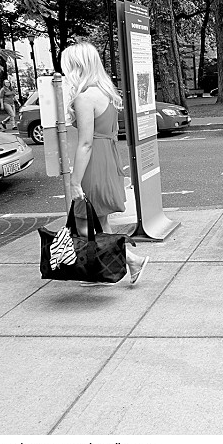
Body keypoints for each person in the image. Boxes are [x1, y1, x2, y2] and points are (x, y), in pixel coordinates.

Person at [62, 42, 149, 286]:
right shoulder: (107, 94)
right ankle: (105, 270)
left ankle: (131, 259)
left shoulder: (84, 97)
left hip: (93, 163)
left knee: (82, 222)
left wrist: (74, 180)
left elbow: (85, 143)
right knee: (100, 220)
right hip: (108, 158)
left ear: (77, 67)